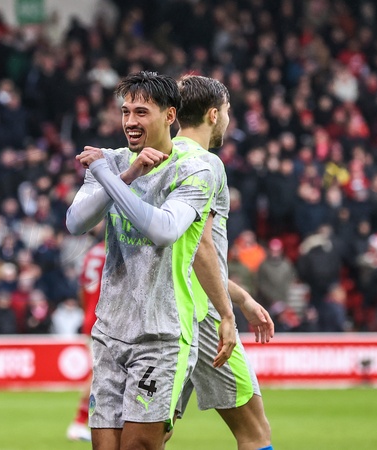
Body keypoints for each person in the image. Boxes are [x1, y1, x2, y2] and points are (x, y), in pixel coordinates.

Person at [66, 71, 236, 449]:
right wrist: (125, 175)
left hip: (161, 333)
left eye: (141, 112)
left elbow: (163, 230)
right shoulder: (113, 162)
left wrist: (106, 175)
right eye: (125, 112)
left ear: (170, 115)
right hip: (110, 330)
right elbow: (75, 222)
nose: (130, 121)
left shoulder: (195, 169)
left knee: (138, 447)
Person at [169, 74, 274, 450]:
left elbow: (182, 255)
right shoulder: (207, 163)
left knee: (151, 434)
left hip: (167, 313)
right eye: (228, 111)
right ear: (214, 114)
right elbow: (201, 248)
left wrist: (242, 297)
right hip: (204, 316)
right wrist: (227, 312)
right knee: (255, 433)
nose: (229, 119)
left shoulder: (159, 158)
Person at [66, 238, 105, 442]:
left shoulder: (92, 253)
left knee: (100, 373)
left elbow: (82, 290)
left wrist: (87, 313)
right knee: (98, 374)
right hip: (106, 319)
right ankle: (79, 422)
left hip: (91, 318)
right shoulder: (116, 249)